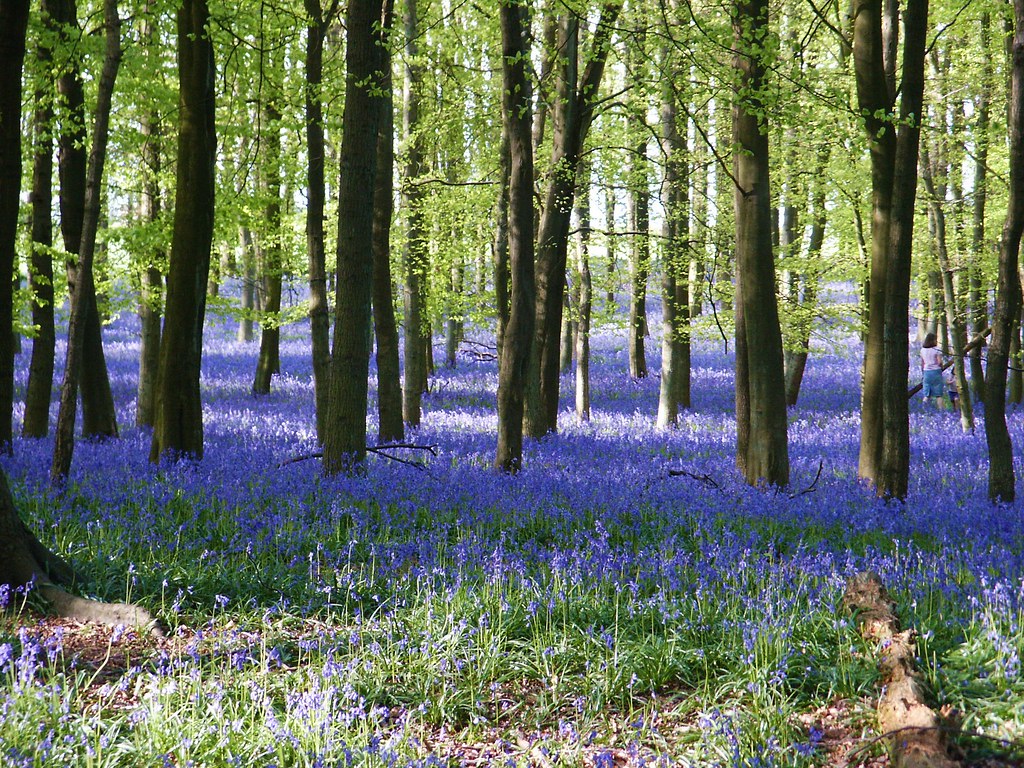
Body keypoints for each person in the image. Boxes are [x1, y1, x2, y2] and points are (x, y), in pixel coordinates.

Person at [920, 332, 944, 408]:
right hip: (936, 371)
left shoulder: (922, 350)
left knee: (927, 394)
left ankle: (923, 409)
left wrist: (923, 372)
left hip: (926, 372)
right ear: (933, 340)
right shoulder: (937, 349)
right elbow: (939, 362)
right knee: (938, 394)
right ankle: (941, 411)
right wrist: (941, 366)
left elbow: (922, 363)